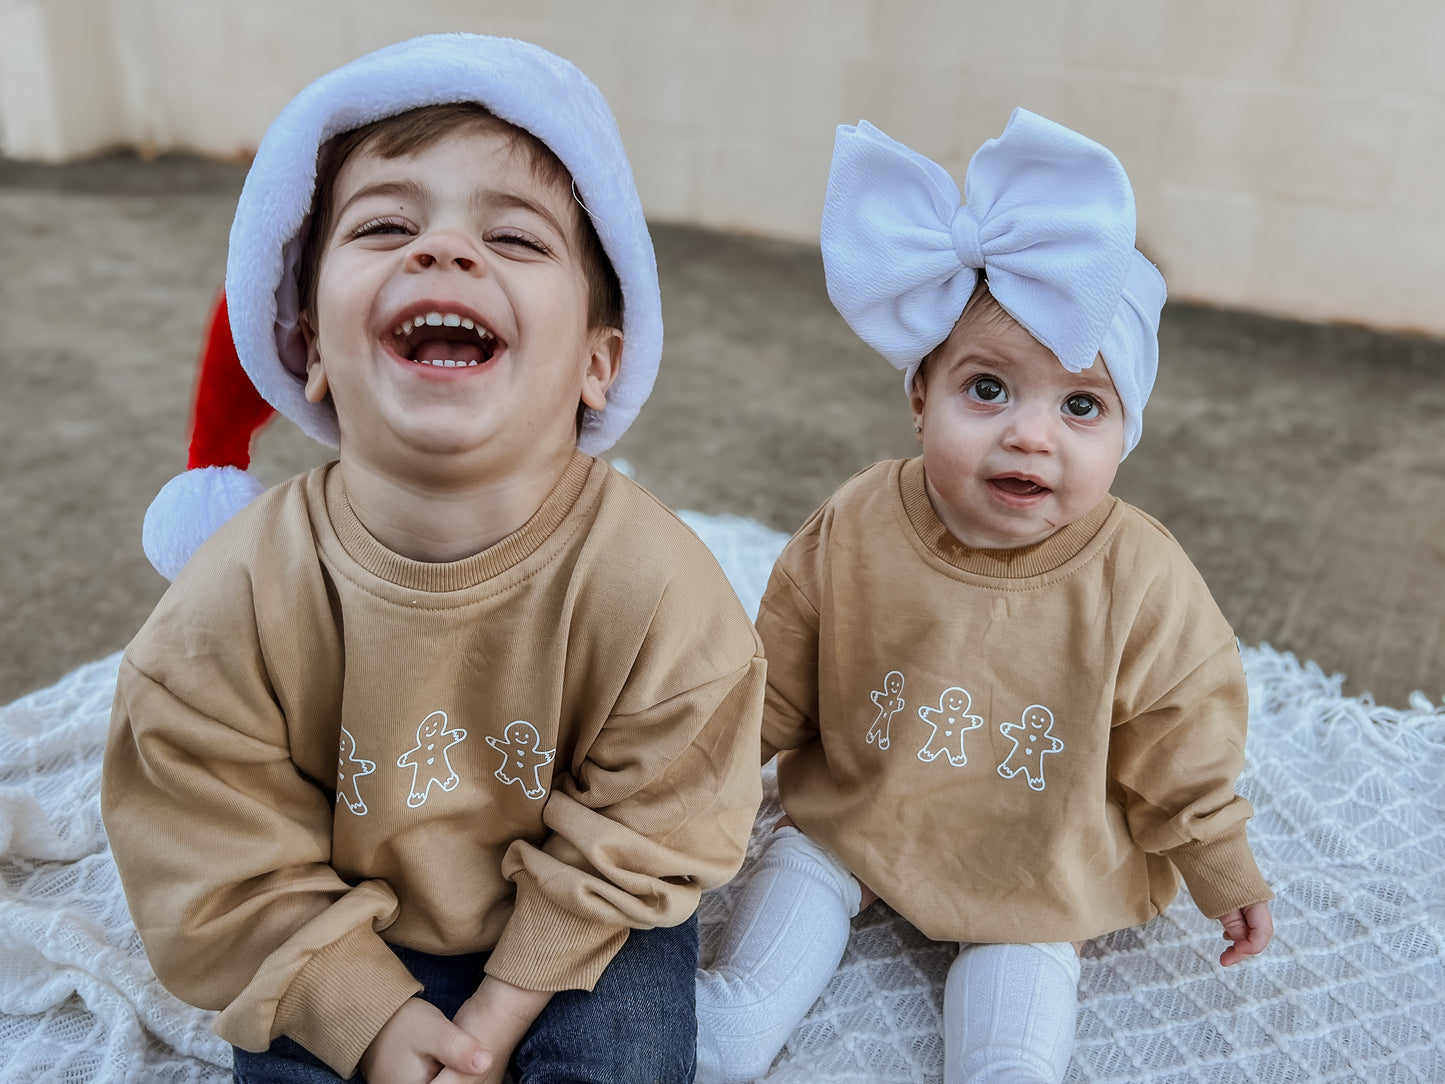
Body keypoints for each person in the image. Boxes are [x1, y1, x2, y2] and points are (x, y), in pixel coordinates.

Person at [102, 34, 766, 1084]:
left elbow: (661, 809)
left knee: (631, 1052)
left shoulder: (651, 586)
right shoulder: (236, 594)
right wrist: (362, 1012)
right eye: (386, 225)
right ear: (308, 343)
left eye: (511, 235)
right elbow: (208, 829)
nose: (443, 251)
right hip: (329, 917)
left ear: (600, 361)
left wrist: (496, 1015)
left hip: (575, 919)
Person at [694, 110, 1274, 1084]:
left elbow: (1183, 737)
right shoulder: (857, 521)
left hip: (1033, 864)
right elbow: (777, 673)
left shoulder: (1136, 576)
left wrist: (1219, 864)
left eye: (1078, 405)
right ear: (919, 392)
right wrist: (697, 782)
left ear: (1125, 430)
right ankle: (716, 1029)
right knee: (750, 977)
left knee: (1009, 1049)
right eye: (987, 389)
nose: (1029, 436)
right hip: (857, 814)